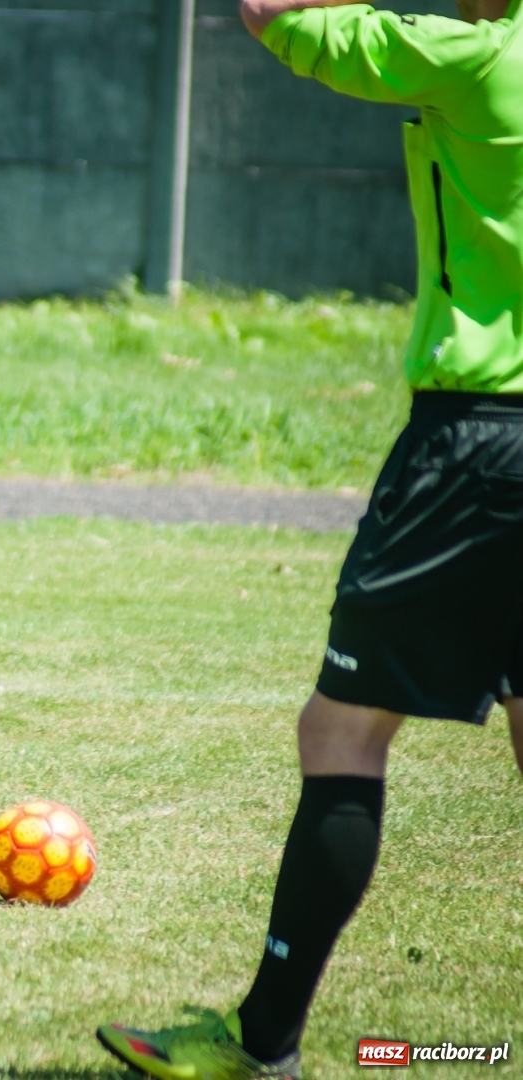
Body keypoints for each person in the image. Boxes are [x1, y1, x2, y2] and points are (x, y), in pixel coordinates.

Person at [99, 0, 523, 1074]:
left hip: (479, 446)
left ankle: (262, 1044)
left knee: (342, 732)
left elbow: (273, 14)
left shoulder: (467, 58)